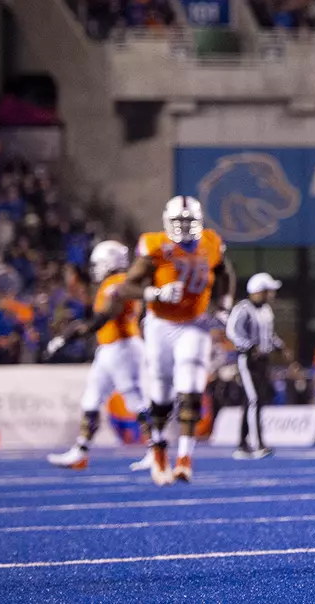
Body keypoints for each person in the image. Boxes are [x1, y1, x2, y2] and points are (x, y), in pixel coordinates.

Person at [118, 196, 233, 485]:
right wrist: (154, 293)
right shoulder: (156, 245)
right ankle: (158, 453)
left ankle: (184, 459)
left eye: (188, 221)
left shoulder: (211, 242)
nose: (183, 227)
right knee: (161, 394)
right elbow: (127, 287)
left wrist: (224, 305)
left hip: (194, 323)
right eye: (178, 222)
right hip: (160, 324)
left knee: (191, 387)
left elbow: (225, 273)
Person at [46, 240, 149, 470]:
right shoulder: (113, 283)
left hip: (123, 347)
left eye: (98, 263)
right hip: (109, 348)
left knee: (136, 400)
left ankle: (156, 450)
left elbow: (105, 315)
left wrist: (74, 333)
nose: (95, 268)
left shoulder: (118, 283)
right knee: (91, 399)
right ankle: (81, 452)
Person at [226, 272, 285, 459]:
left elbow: (269, 334)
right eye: (268, 291)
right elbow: (232, 331)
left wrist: (279, 346)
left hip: (263, 361)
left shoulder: (266, 310)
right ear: (258, 291)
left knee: (252, 401)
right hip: (247, 360)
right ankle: (257, 444)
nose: (271, 294)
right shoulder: (243, 309)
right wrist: (249, 346)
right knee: (254, 400)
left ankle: (242, 444)